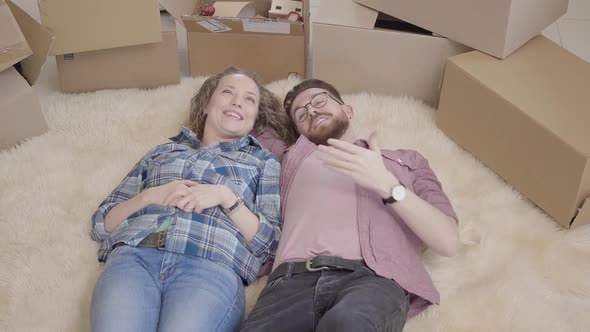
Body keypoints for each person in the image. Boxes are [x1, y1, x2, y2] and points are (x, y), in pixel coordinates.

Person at [242, 79, 460, 332]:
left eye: (320, 101)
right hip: (289, 283)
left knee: (349, 323)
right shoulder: (288, 159)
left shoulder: (406, 161)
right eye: (301, 114)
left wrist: (386, 184)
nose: (311, 110)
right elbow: (241, 112)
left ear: (348, 110)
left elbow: (449, 242)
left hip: (372, 281)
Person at [90, 67, 295, 332]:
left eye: (249, 99)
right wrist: (150, 196)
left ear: (255, 118)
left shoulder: (263, 162)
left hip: (210, 267)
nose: (236, 102)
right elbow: (100, 224)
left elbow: (271, 243)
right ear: (207, 104)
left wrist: (226, 197)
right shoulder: (164, 151)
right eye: (228, 93)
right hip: (135, 257)